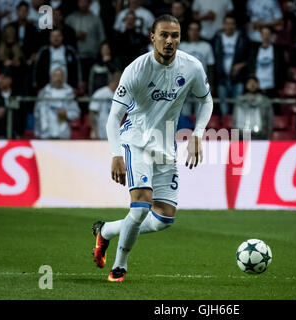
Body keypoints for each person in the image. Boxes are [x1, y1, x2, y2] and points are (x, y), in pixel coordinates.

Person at [91, 14, 213, 282]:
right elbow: (113, 118)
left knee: (163, 219)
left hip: (165, 145)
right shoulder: (137, 69)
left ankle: (106, 231)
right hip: (136, 141)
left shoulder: (191, 67)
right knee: (140, 207)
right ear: (153, 37)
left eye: (175, 36)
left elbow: (206, 101)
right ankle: (119, 266)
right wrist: (115, 154)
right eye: (164, 35)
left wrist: (197, 134)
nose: (170, 41)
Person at [212, 14, 250, 115]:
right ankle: (226, 129)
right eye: (227, 23)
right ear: (223, 24)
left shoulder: (242, 38)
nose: (229, 26)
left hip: (238, 78)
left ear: (235, 25)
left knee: (237, 108)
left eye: (232, 24)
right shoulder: (217, 38)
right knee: (224, 109)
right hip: (222, 78)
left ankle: (235, 130)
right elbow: (213, 59)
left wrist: (241, 65)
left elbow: (250, 58)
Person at [179, 20, 215, 117]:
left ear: (200, 31)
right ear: (188, 31)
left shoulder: (206, 46)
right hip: (185, 83)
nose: (194, 32)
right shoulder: (181, 46)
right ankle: (186, 131)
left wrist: (211, 83)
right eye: (191, 29)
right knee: (185, 113)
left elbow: (211, 66)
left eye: (196, 30)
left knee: (199, 114)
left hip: (202, 82)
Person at [33, 67, 80, 139]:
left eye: (60, 75)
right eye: (55, 75)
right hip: (46, 133)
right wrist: (37, 131)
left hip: (63, 133)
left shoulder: (69, 94)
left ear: (64, 77)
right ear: (51, 77)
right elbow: (37, 113)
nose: (58, 78)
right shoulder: (44, 93)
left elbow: (76, 112)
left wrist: (66, 114)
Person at [65, 0, 106, 81]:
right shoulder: (70, 19)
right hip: (75, 56)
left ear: (89, 3)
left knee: (91, 80)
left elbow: (102, 38)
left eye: (84, 2)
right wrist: (73, 35)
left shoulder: (96, 19)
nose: (82, 4)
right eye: (80, 2)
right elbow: (64, 35)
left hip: (92, 56)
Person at [247, 26, 287, 99]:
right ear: (261, 35)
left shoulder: (277, 51)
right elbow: (250, 67)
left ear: (271, 36)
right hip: (257, 87)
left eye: (268, 34)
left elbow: (283, 69)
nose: (266, 36)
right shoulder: (254, 51)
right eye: (264, 34)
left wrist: (280, 86)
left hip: (272, 88)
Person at [233, 75, 273, 140]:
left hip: (260, 136)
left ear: (258, 85)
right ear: (246, 85)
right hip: (243, 135)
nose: (252, 85)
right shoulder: (240, 101)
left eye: (254, 83)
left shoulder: (265, 101)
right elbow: (235, 119)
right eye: (249, 83)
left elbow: (270, 120)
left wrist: (268, 137)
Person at [89, 71, 121, 139]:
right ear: (116, 81)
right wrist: (95, 132)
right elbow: (92, 113)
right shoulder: (100, 93)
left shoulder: (120, 95)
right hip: (100, 133)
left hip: (114, 134)